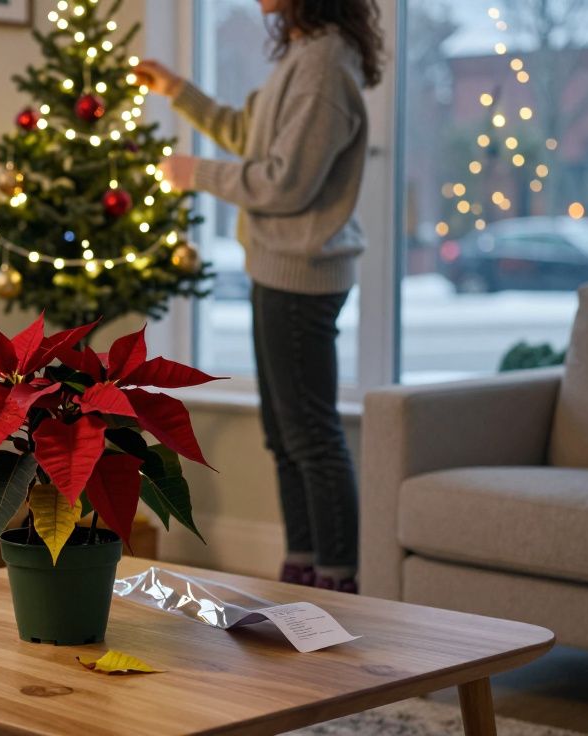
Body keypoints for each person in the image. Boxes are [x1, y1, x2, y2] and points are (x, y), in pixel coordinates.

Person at [135, 0, 383, 593]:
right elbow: (246, 134)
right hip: (278, 269)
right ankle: (302, 569)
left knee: (310, 435)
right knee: (285, 432)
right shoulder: (304, 52)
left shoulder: (322, 67)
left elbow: (284, 182)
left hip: (302, 274)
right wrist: (177, 89)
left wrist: (195, 173)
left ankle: (337, 584)